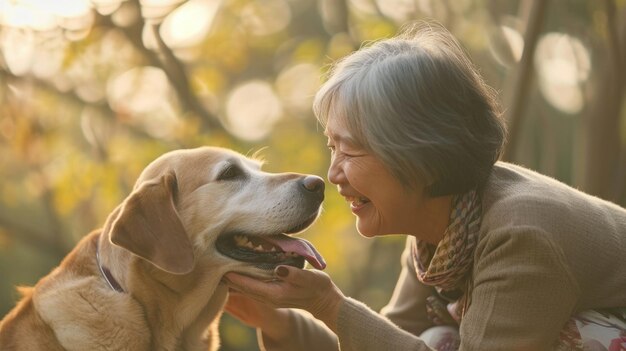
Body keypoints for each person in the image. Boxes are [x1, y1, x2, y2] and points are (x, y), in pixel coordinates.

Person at [223, 21, 626, 351]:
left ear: (422, 156)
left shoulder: (522, 234)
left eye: (351, 150)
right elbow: (380, 340)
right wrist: (279, 320)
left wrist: (328, 303)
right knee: (436, 339)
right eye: (332, 148)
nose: (333, 174)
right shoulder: (442, 231)